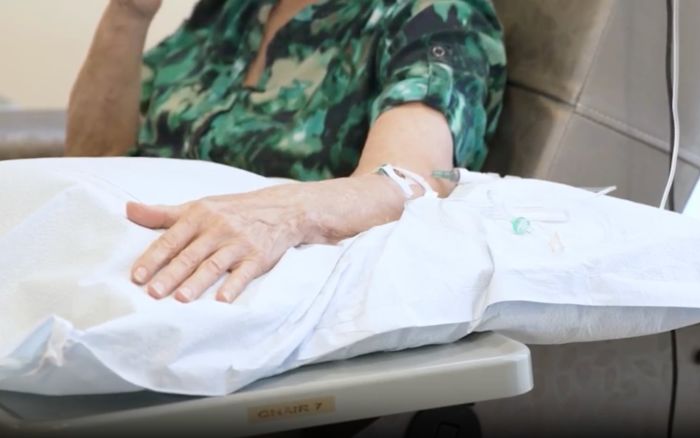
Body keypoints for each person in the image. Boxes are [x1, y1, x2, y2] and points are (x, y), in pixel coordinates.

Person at [66, 0, 506, 303]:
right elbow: (94, 156)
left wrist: (278, 216)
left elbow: (407, 183)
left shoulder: (432, 14)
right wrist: (129, 12)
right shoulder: (232, 10)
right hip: (125, 266)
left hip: (248, 301)